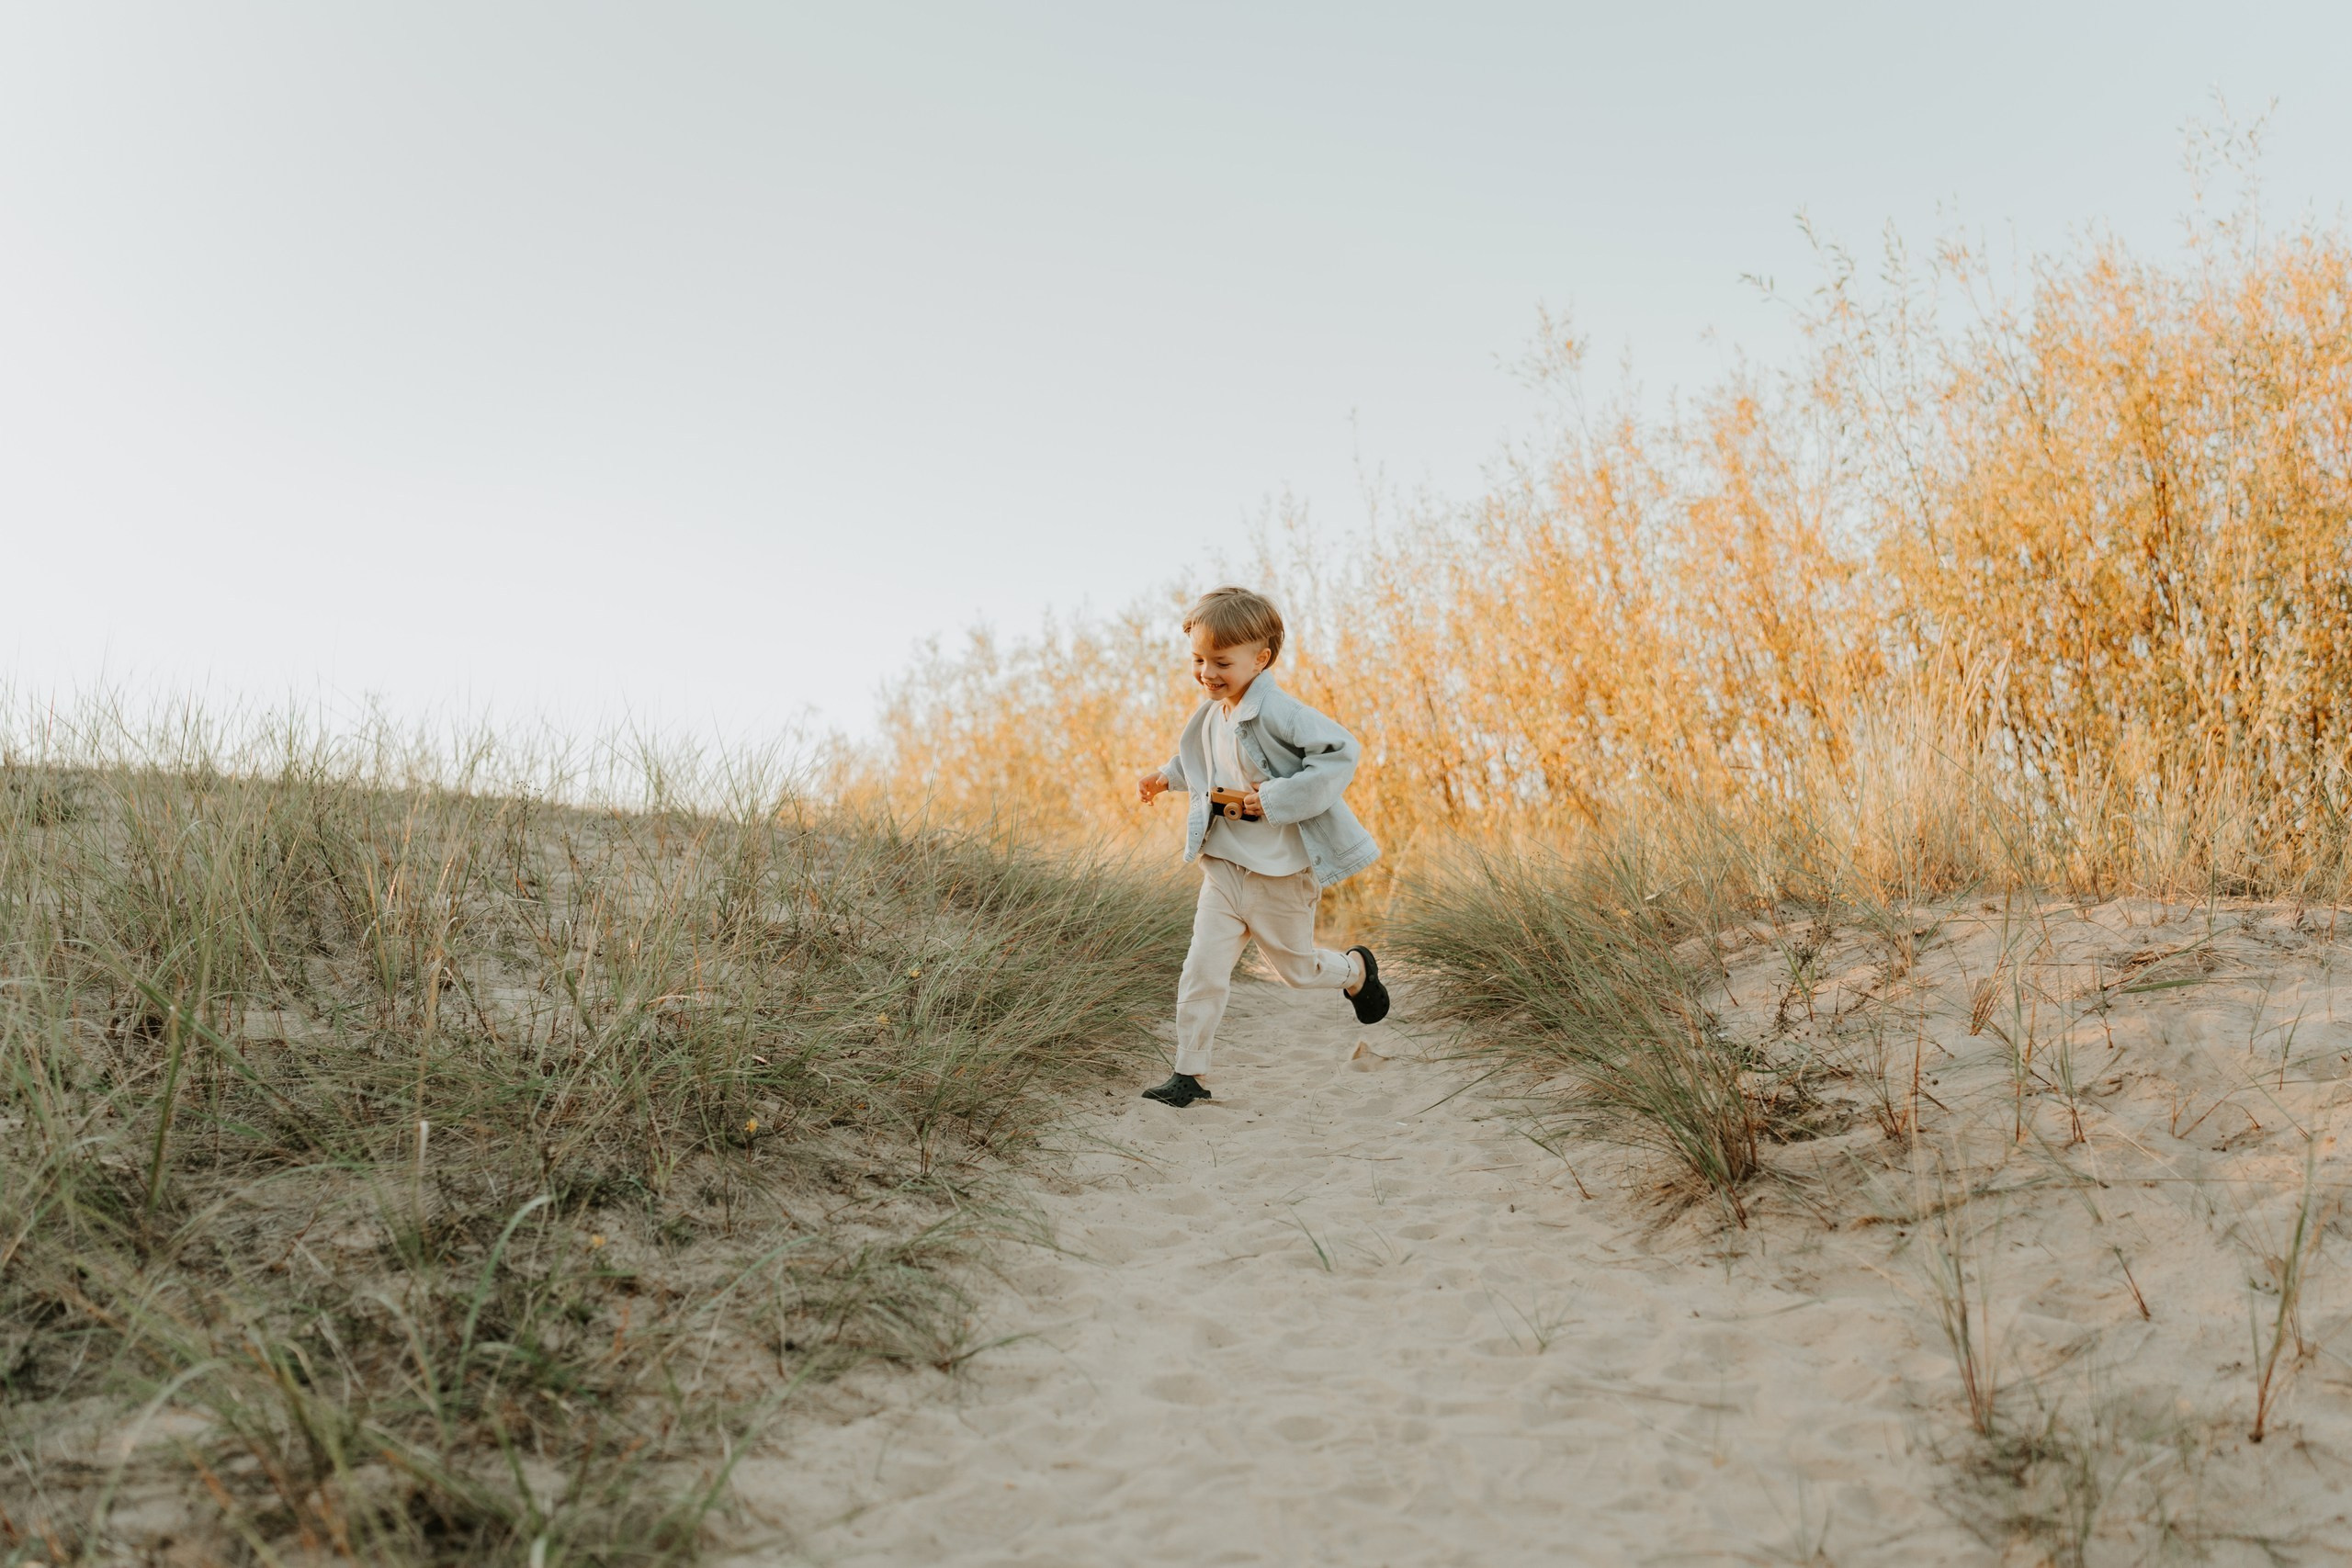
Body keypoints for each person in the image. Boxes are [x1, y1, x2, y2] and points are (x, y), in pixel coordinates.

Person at [1133, 586, 1388, 1109]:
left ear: (1261, 658)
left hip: (1280, 873)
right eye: (1198, 659)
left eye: (1221, 661)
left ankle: (1355, 971)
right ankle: (1189, 1073)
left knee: (1297, 972)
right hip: (1225, 869)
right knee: (1201, 970)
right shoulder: (1210, 716)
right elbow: (1200, 764)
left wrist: (1271, 799)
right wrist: (1164, 777)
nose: (1207, 672)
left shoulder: (1279, 711)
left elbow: (1341, 754)